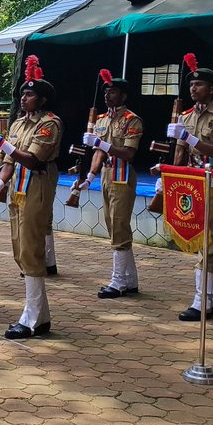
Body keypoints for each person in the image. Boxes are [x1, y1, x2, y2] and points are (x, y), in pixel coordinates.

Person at [0, 56, 61, 339]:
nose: (23, 98)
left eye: (29, 94)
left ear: (41, 100)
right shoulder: (16, 124)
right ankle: (40, 314)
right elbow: (9, 163)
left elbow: (33, 159)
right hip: (17, 189)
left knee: (31, 249)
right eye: (22, 93)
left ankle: (32, 318)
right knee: (19, 249)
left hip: (37, 186)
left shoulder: (49, 124)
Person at [166, 64, 213, 321]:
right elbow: (180, 152)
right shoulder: (185, 115)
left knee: (207, 241)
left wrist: (189, 137)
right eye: (190, 85)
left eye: (198, 85)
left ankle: (202, 301)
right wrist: (168, 178)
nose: (193, 88)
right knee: (203, 240)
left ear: (212, 88)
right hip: (192, 182)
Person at [76, 71, 143, 299]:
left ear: (123, 95)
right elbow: (98, 153)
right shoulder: (102, 120)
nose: (107, 95)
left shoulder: (132, 120)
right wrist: (90, 176)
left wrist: (103, 145)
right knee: (113, 225)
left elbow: (129, 153)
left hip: (122, 176)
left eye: (112, 91)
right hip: (106, 175)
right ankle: (130, 280)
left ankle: (118, 281)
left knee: (118, 225)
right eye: (106, 91)